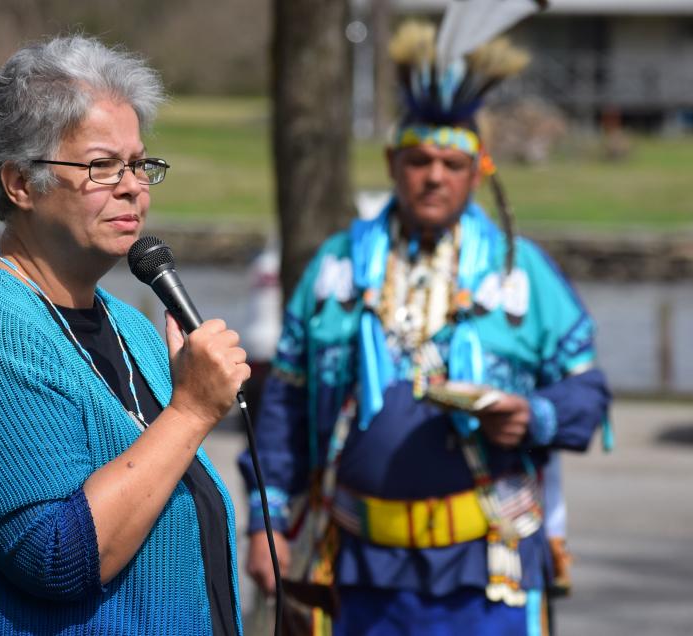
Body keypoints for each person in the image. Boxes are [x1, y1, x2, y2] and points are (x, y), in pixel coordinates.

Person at [239, 20, 611, 635]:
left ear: (477, 172)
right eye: (418, 160)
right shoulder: (337, 270)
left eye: (451, 162)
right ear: (393, 163)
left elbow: (587, 395)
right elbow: (283, 408)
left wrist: (532, 416)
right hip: (358, 571)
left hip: (486, 570)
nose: (433, 176)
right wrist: (266, 521)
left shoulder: (523, 276)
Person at [0, 36, 249, 635]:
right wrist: (191, 411)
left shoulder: (132, 329)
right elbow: (59, 557)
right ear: (21, 183)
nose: (132, 186)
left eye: (140, 163)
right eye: (101, 166)